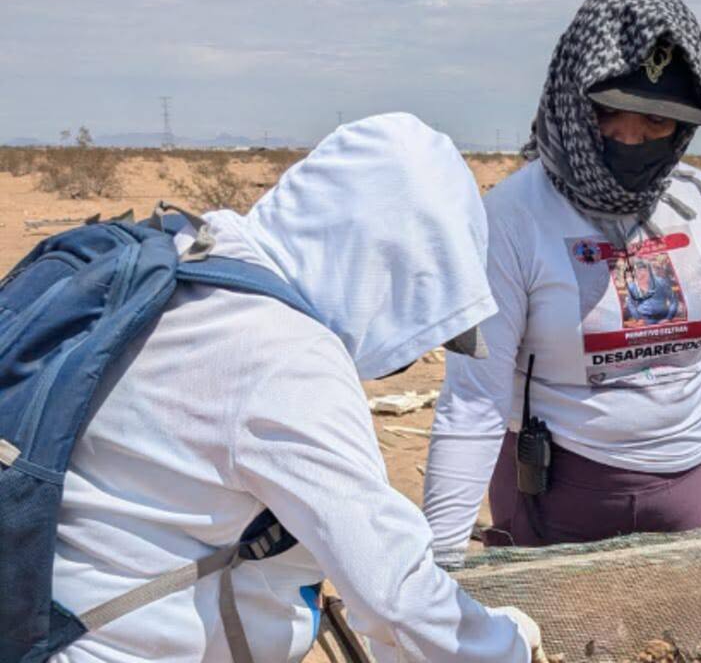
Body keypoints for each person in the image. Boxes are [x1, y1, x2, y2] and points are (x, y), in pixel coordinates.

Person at [47, 114, 541, 661]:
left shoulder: (196, 258)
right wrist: (507, 645)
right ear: (389, 269)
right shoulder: (283, 357)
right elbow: (394, 593)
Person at [422, 0, 701, 561]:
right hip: (556, 495)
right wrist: (441, 561)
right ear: (572, 104)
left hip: (690, 497)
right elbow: (473, 401)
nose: (632, 139)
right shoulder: (512, 217)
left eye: (657, 124)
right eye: (610, 116)